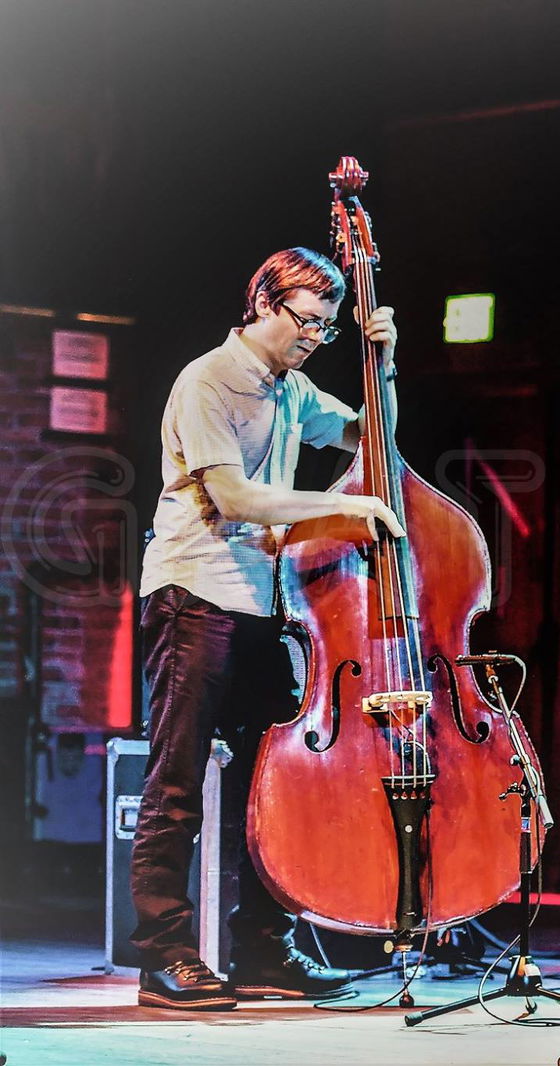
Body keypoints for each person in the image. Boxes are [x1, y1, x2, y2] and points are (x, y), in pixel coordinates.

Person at [133, 247, 405, 1010]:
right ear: (262, 303)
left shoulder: (294, 388)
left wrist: (382, 366)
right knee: (177, 781)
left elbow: (369, 440)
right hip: (194, 594)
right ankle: (163, 955)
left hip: (260, 603)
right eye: (306, 321)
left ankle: (261, 949)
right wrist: (344, 507)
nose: (314, 337)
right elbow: (235, 499)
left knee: (273, 785)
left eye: (326, 327)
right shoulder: (207, 381)